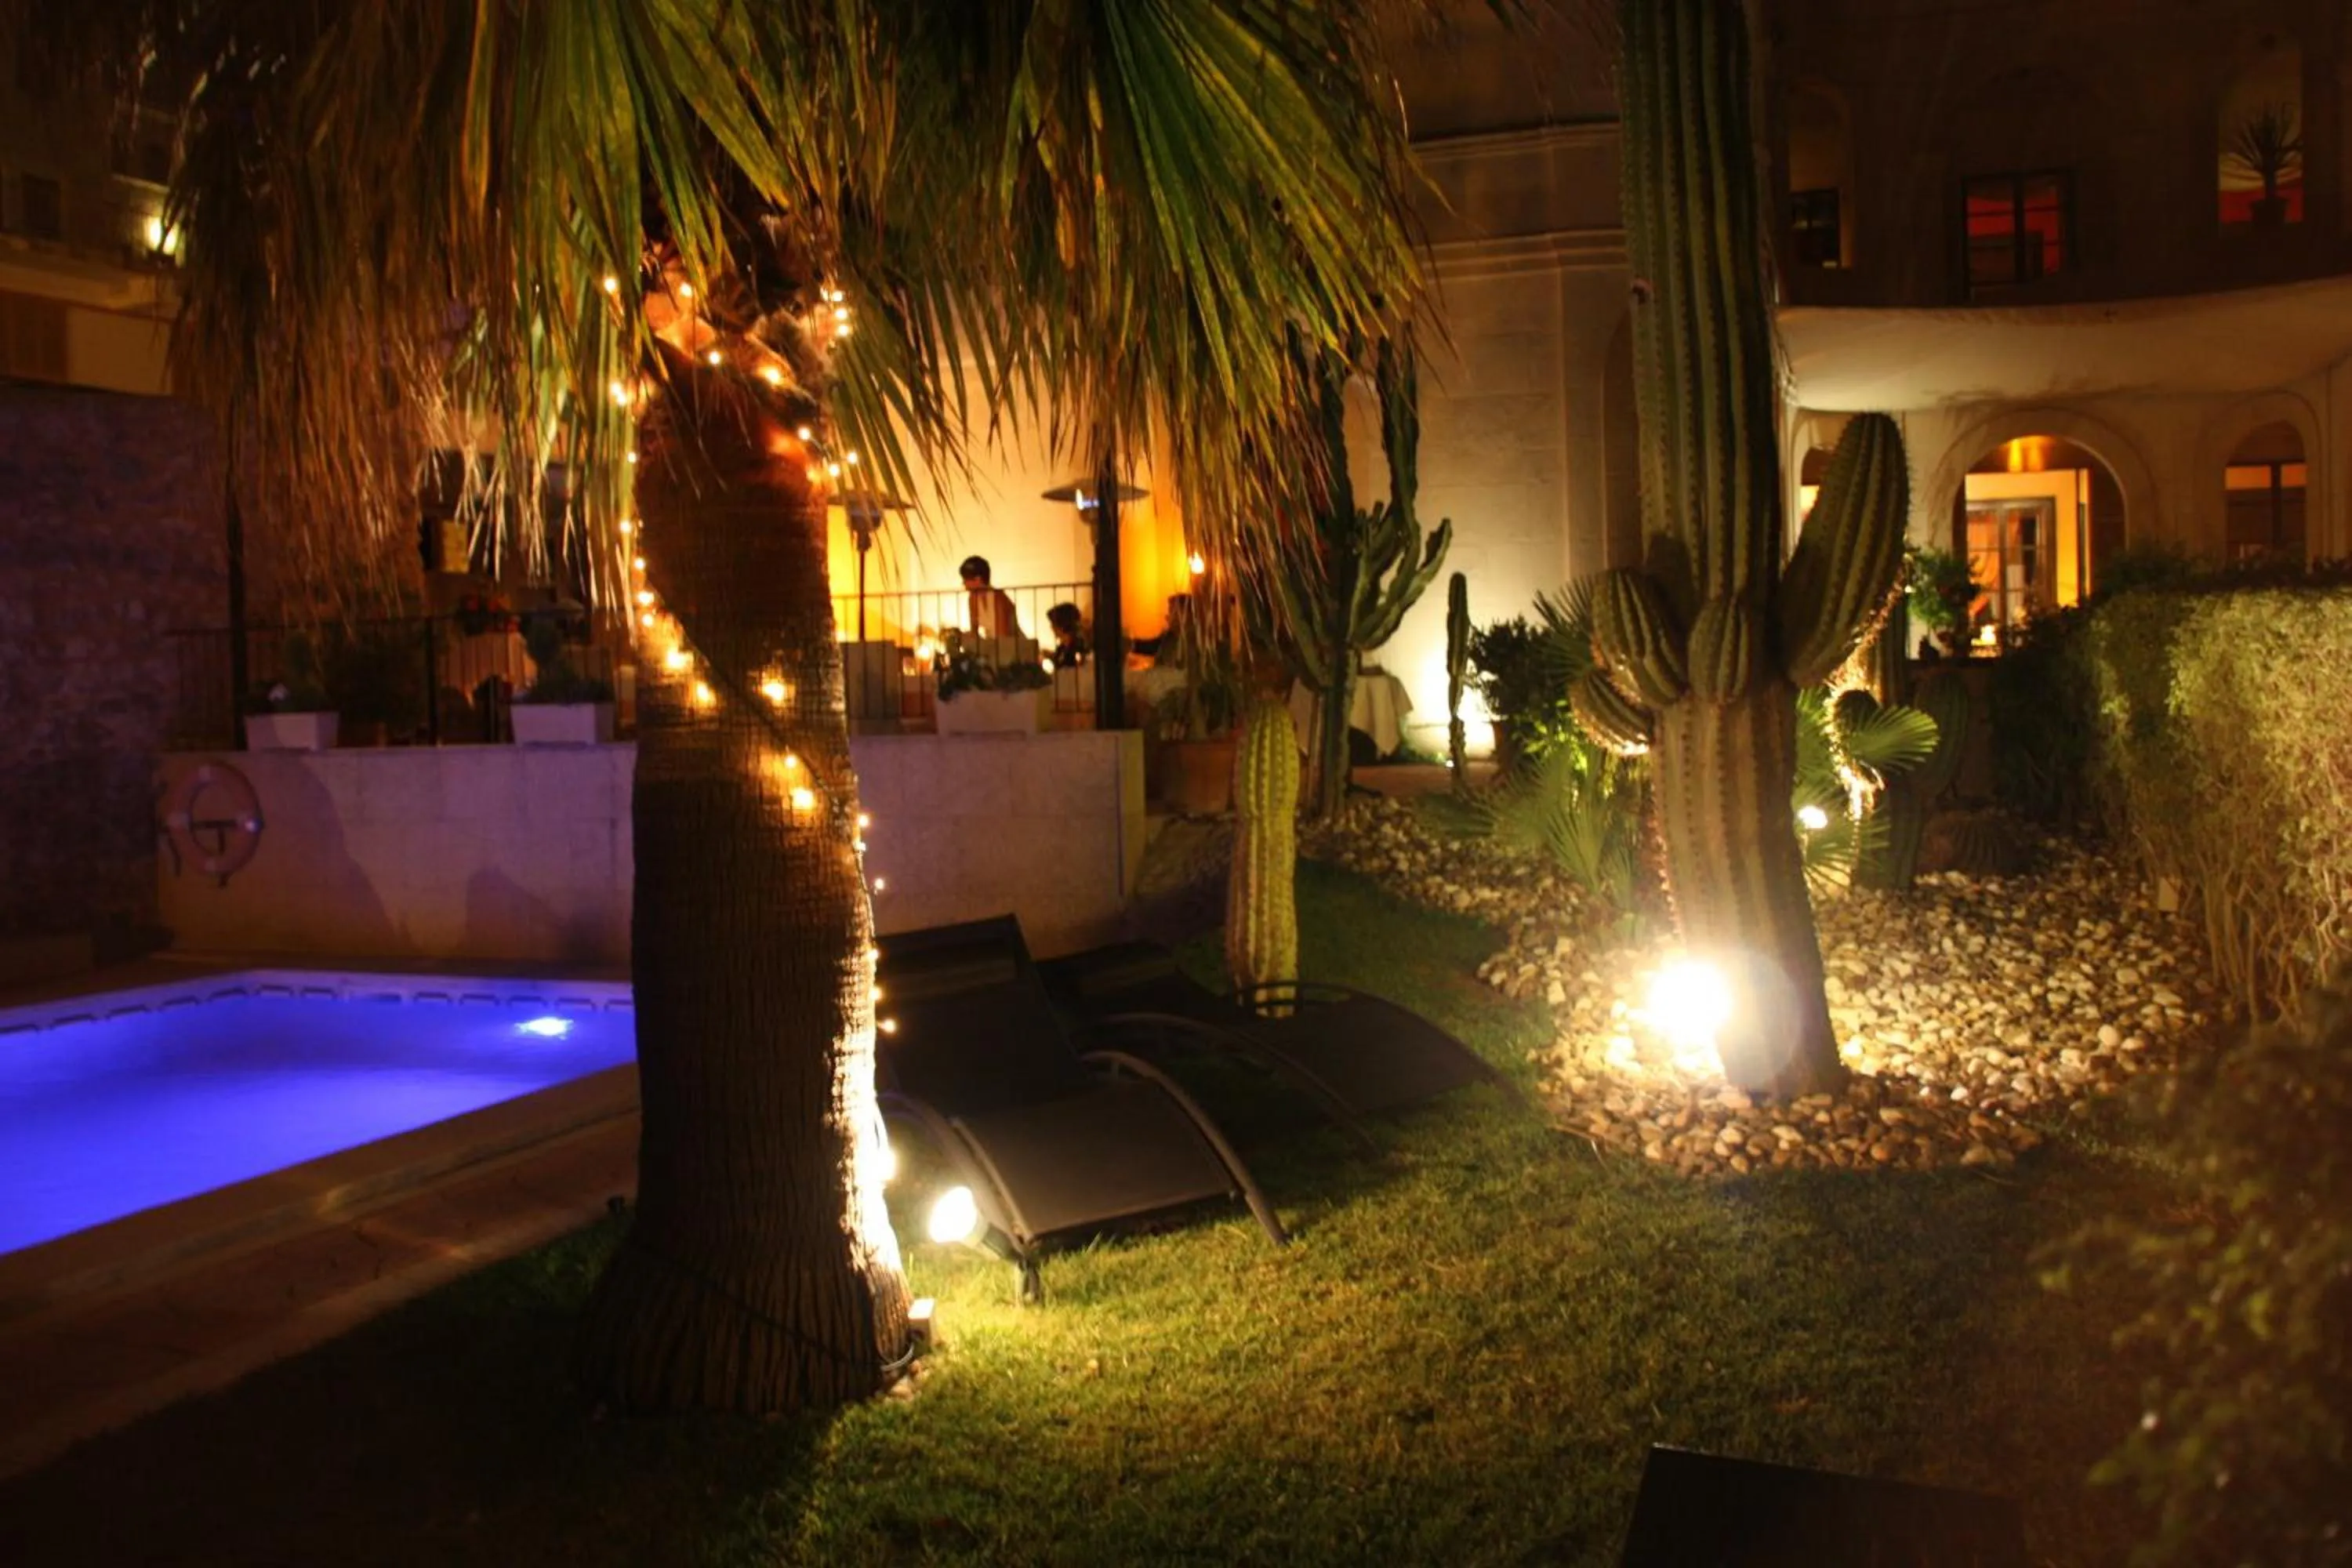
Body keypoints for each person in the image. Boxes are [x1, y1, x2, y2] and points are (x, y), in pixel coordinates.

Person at [960, 555, 1023, 638]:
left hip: (1011, 645)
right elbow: (974, 631)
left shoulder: (998, 597)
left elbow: (1002, 634)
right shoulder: (973, 599)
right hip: (992, 644)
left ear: (978, 580)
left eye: (966, 579)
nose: (963, 583)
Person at [1046, 601, 1091, 666]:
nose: (1051, 627)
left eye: (1053, 624)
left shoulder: (1079, 647)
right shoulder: (1061, 648)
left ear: (1062, 625)